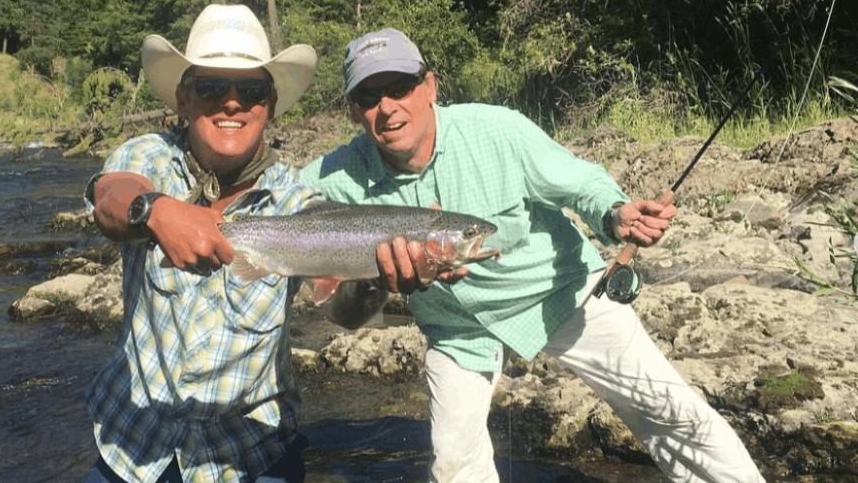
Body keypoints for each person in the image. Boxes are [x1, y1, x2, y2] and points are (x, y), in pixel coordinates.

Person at [298, 28, 766, 483]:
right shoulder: (337, 174)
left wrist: (615, 213)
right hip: (458, 328)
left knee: (672, 412)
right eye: (368, 97)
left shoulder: (497, 130)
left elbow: (581, 181)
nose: (387, 108)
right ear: (354, 112)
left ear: (430, 86)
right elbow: (273, 206)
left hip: (561, 292)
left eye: (399, 87)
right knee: (453, 465)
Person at [81, 4, 319, 483]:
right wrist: (155, 210)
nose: (231, 103)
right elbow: (109, 198)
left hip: (250, 454)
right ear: (183, 100)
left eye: (250, 90)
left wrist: (379, 280)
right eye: (211, 87)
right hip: (134, 448)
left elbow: (350, 311)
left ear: (269, 105)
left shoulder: (298, 200)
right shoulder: (150, 156)